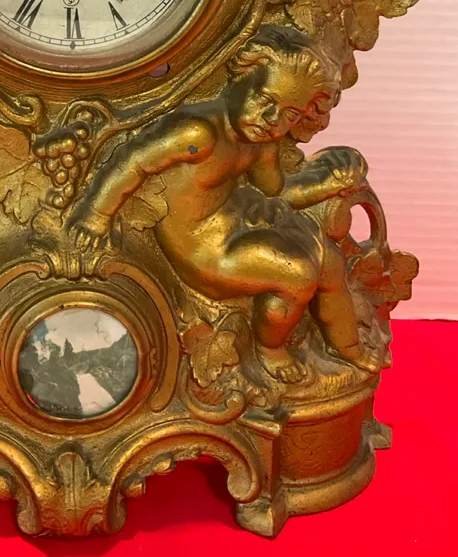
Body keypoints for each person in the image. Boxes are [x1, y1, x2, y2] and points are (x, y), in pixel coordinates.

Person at [68, 26, 377, 383]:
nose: (272, 119)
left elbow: (276, 191)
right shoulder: (198, 134)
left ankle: (348, 347)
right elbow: (134, 161)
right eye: (265, 99)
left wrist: (327, 185)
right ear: (242, 78)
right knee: (298, 274)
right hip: (204, 254)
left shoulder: (261, 142)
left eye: (290, 115)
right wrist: (96, 215)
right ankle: (271, 350)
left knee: (331, 263)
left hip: (236, 228)